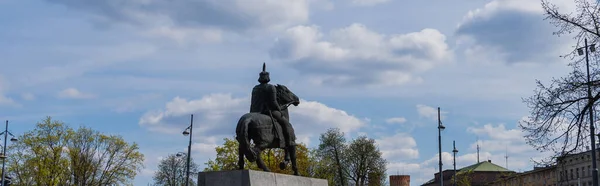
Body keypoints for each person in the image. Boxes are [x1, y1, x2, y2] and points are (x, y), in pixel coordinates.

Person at [250, 63, 294, 147]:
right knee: (286, 124)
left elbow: (253, 103)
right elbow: (273, 102)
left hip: (255, 112)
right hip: (268, 111)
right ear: (268, 78)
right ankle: (290, 143)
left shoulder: (255, 88)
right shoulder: (271, 87)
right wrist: (279, 109)